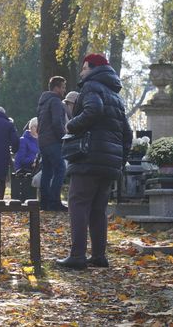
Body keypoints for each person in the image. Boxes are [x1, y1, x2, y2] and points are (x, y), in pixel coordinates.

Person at [56, 53, 132, 270]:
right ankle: (99, 255)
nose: (81, 73)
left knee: (78, 203)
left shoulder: (91, 87)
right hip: (109, 163)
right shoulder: (116, 96)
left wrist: (71, 126)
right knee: (98, 209)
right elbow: (127, 133)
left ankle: (77, 256)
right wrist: (120, 160)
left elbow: (93, 110)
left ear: (91, 68)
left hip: (88, 158)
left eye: (83, 68)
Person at [36, 76, 67, 211]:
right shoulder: (55, 101)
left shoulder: (43, 102)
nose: (64, 91)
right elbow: (56, 122)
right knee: (60, 169)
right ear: (56, 88)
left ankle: (44, 202)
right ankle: (54, 201)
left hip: (43, 141)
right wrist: (63, 137)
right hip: (53, 141)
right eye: (63, 87)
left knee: (47, 171)